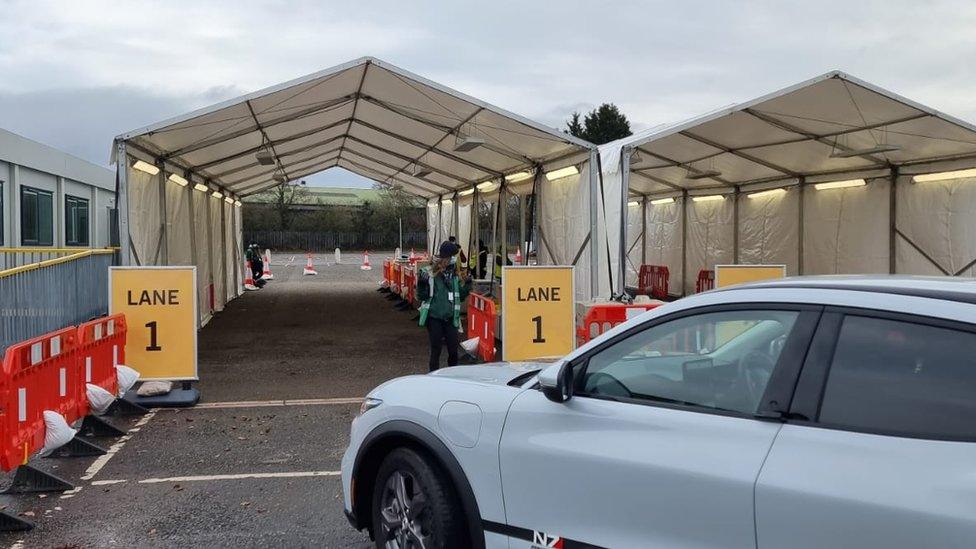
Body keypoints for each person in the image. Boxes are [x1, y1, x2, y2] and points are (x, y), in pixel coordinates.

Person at [418, 240, 472, 371]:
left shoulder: (454, 274)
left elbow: (461, 295)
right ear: (446, 257)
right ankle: (433, 376)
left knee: (453, 350)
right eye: (453, 256)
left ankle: (452, 376)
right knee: (436, 349)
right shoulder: (429, 273)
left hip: (450, 319)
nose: (455, 258)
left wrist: (468, 284)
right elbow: (422, 296)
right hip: (434, 318)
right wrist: (422, 283)